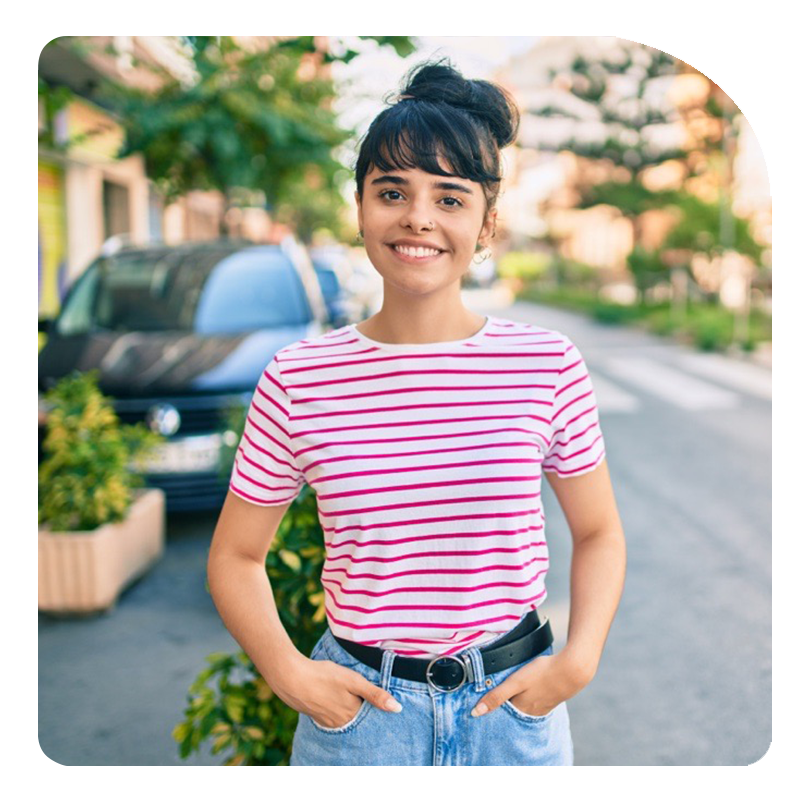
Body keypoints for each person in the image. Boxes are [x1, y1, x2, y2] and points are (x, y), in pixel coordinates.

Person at [207, 57, 626, 766]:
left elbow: (600, 533)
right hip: (362, 722)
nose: (418, 219)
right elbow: (235, 555)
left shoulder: (545, 363)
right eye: (392, 191)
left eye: (451, 198)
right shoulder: (300, 377)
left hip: (512, 712)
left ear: (487, 223)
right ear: (361, 206)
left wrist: (577, 662)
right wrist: (289, 673)